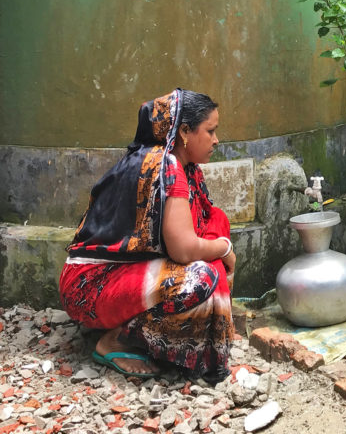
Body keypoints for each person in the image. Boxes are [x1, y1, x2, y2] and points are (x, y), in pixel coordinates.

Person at [59, 89, 236, 384]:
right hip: (89, 285)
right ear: (183, 132)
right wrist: (225, 248)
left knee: (215, 220)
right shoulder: (166, 167)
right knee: (200, 279)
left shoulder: (178, 165)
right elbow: (183, 249)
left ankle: (199, 325)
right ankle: (115, 341)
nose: (216, 140)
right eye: (211, 131)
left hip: (114, 276)